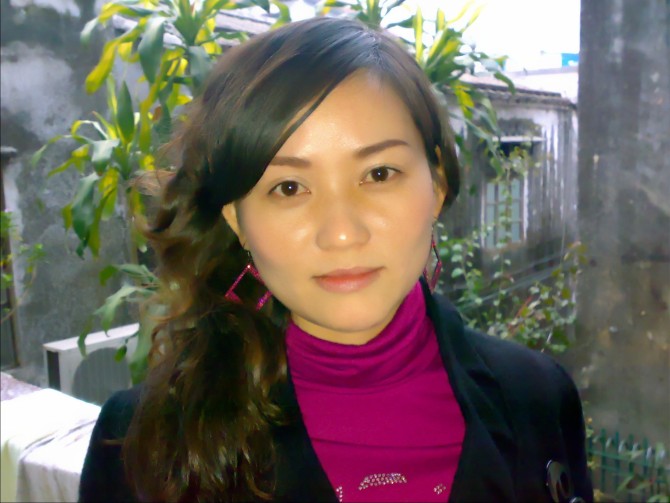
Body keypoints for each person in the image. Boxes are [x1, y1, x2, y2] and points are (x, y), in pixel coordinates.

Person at [78, 16, 593, 503]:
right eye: (289, 187)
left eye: (379, 174)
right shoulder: (144, 442)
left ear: (436, 185)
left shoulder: (538, 398)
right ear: (236, 219)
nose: (343, 233)